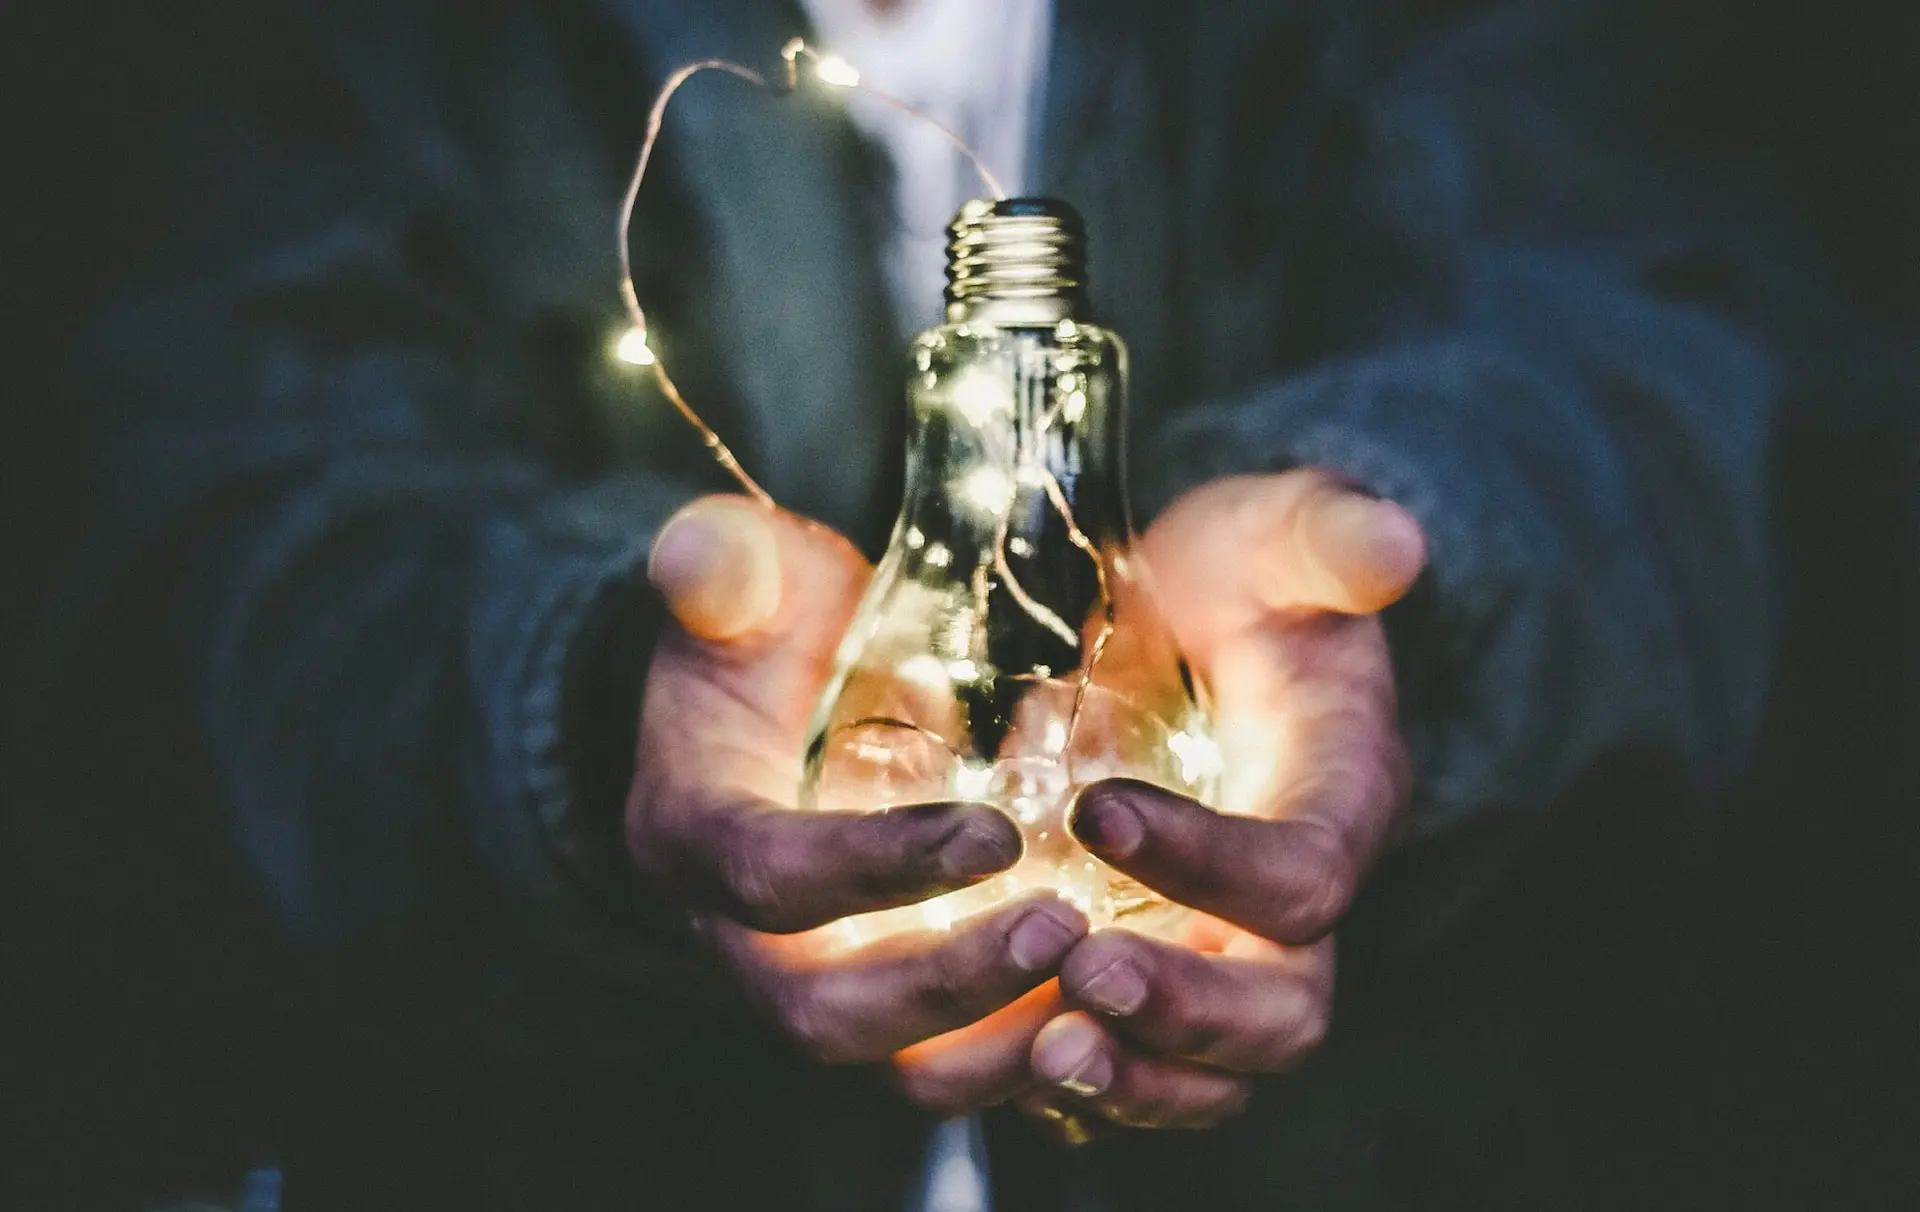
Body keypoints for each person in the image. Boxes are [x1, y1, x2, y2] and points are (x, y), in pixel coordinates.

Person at [40, 0, 1803, 1207]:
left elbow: (1655, 364)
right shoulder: (389, 59)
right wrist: (581, 707)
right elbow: (197, 516)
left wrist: (1399, 580)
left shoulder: (1405, 49)